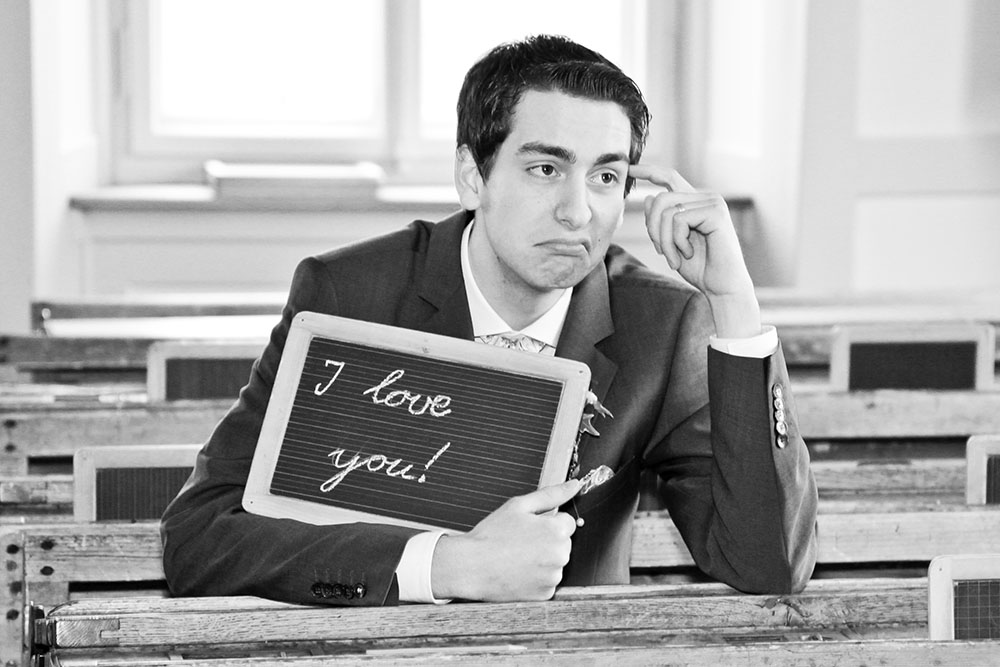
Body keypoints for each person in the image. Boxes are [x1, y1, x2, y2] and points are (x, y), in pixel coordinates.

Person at [161, 34, 818, 606]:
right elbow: (200, 536)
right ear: (472, 177)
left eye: (605, 177)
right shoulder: (350, 293)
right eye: (545, 168)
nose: (578, 212)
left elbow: (766, 564)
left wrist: (734, 304)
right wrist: (447, 564)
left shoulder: (664, 324)